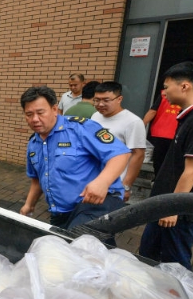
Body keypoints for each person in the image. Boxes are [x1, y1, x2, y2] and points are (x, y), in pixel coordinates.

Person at [139, 62, 193, 270]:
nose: (164, 93)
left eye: (166, 87)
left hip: (179, 210)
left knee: (174, 265)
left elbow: (192, 171)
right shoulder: (190, 116)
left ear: (184, 86)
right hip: (167, 203)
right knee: (148, 254)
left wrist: (173, 209)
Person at [18, 86, 130, 232]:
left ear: (54, 109)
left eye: (40, 113)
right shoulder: (33, 143)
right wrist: (29, 205)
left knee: (76, 240)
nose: (35, 119)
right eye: (29, 114)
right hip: (61, 212)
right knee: (67, 243)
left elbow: (120, 154)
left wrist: (102, 182)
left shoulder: (81, 128)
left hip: (95, 203)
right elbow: (37, 179)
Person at [91, 81, 146, 203]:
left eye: (106, 100)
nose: (100, 104)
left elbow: (138, 155)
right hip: (93, 179)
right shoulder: (95, 116)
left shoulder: (133, 122)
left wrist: (126, 186)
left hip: (115, 184)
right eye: (96, 100)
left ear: (119, 99)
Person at [143, 89, 182, 175]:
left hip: (161, 132)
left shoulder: (164, 94)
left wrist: (142, 125)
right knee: (174, 160)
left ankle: (157, 178)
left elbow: (153, 111)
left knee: (159, 159)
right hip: (178, 133)